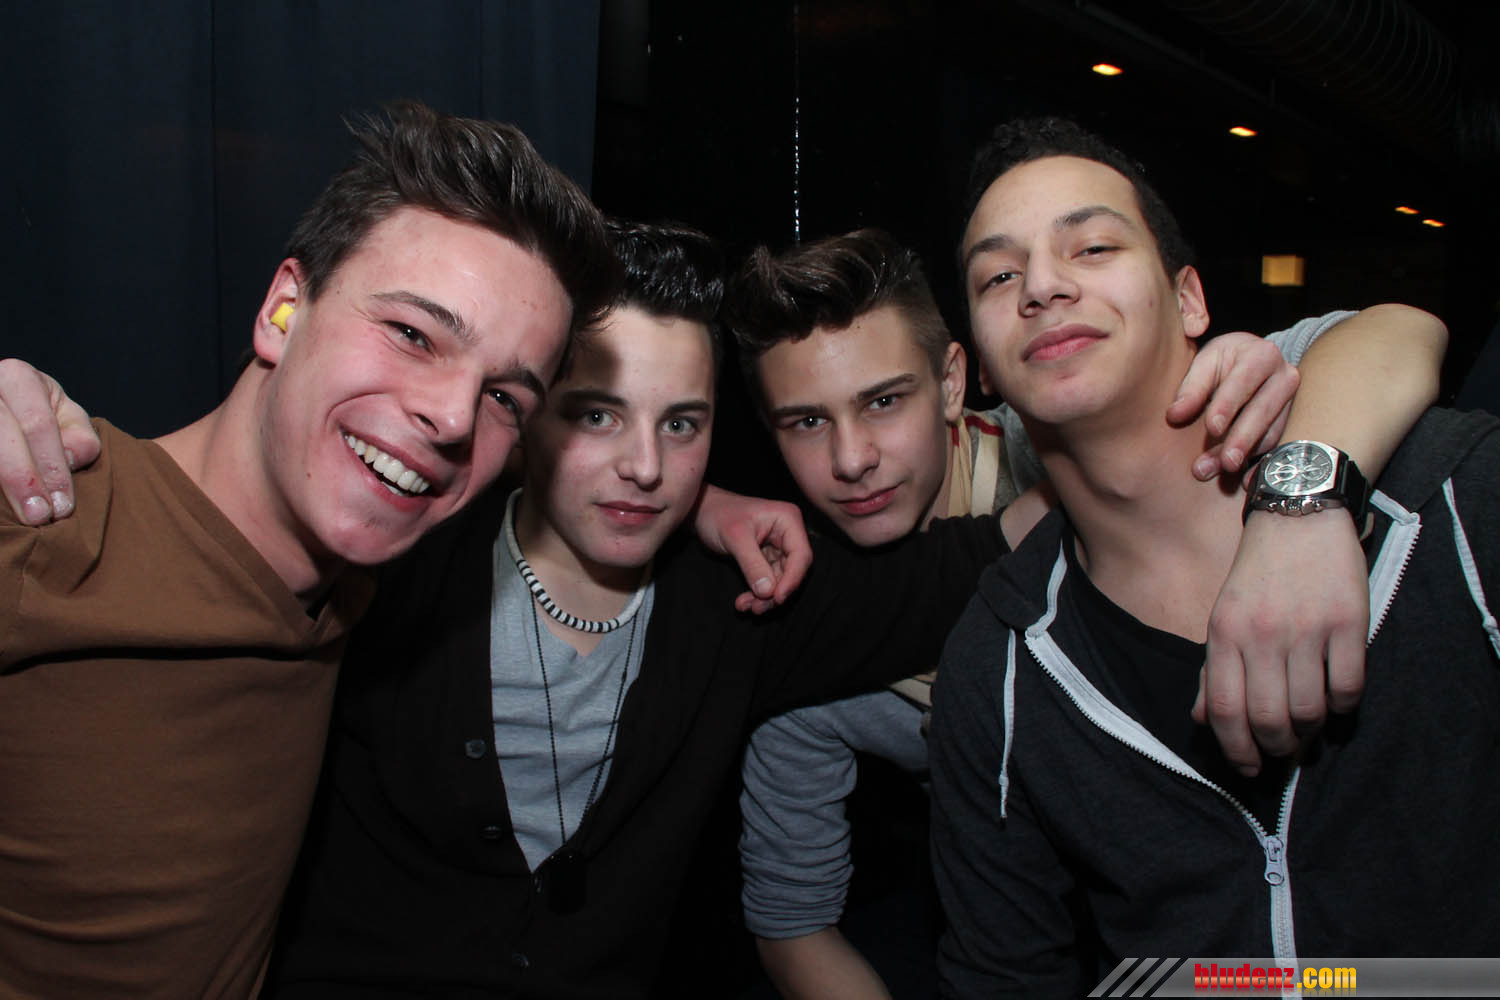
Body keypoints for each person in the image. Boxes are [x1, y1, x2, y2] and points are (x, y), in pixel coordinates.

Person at [726, 229, 1445, 998]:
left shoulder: (1063, 435)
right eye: (806, 421)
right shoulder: (805, 639)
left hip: (1354, 855)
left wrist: (1301, 506)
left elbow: (1394, 333)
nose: (852, 459)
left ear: (952, 381)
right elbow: (793, 925)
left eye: (884, 401)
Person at [0, 101, 616, 998]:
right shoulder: (42, 521)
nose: (452, 417)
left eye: (503, 400)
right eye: (412, 334)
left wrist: (709, 504)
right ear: (283, 311)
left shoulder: (362, 589)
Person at [929, 116, 1495, 997]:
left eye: (1093, 247)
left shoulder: (1451, 500)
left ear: (1190, 301)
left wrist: (1302, 508)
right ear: (986, 375)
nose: (1041, 285)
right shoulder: (996, 667)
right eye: (999, 275)